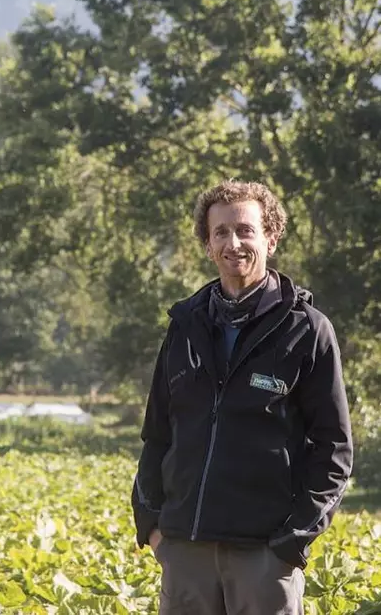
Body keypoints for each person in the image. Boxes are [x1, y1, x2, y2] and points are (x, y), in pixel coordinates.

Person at [132, 180, 353, 614]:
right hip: (185, 551)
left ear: (270, 237)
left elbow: (334, 449)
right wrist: (153, 527)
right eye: (221, 233)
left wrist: (292, 541)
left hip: (264, 556)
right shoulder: (185, 326)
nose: (233, 243)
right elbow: (156, 434)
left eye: (245, 230)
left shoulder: (306, 330)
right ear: (208, 245)